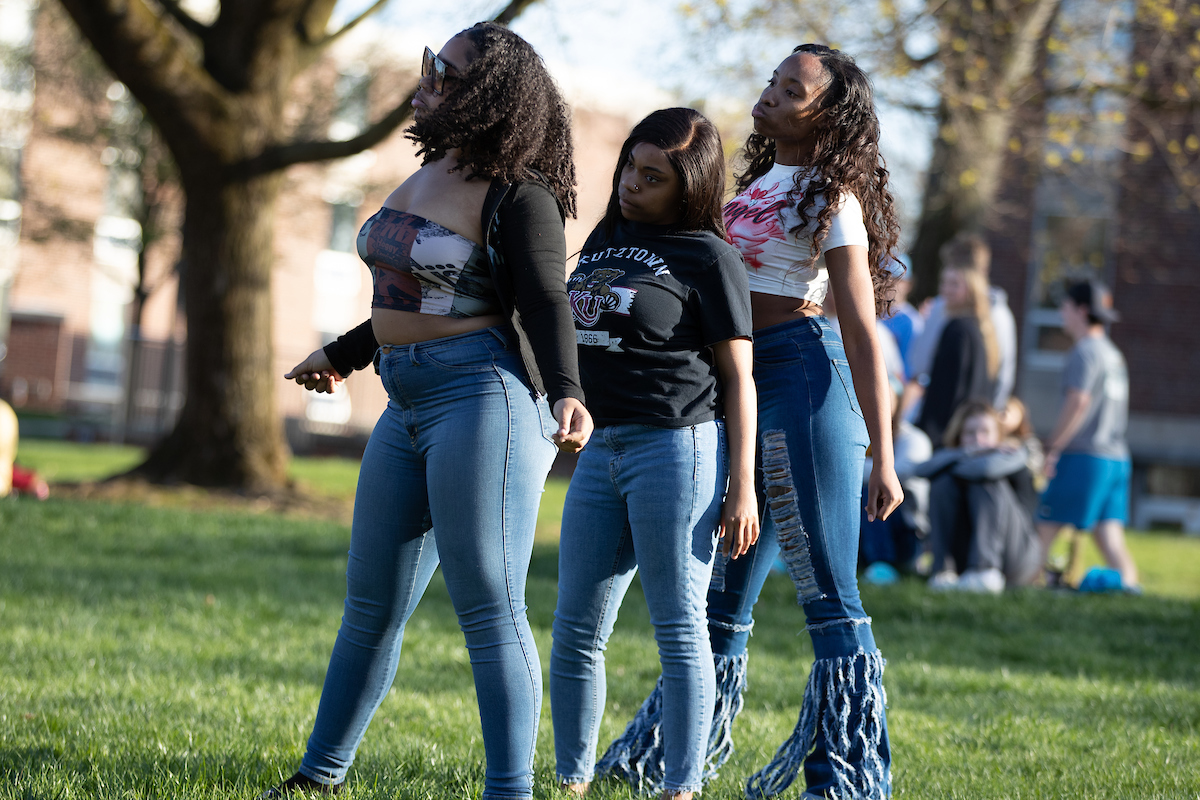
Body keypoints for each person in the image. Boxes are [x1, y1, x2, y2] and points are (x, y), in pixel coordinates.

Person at [261, 24, 592, 799]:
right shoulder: (428, 169)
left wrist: (569, 389)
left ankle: (509, 791)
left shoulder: (522, 194)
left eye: (446, 71)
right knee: (370, 602)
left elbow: (545, 300)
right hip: (405, 397)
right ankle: (319, 777)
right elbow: (404, 293)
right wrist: (343, 354)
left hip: (483, 399)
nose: (429, 78)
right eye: (430, 63)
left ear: (489, 94)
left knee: (487, 601)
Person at [598, 44, 903, 800]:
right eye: (772, 82)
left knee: (827, 587)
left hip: (801, 376)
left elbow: (861, 329)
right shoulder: (748, 188)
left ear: (827, 112)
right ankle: (670, 757)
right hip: (729, 382)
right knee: (723, 595)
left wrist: (884, 455)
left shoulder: (835, 199)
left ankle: (847, 776)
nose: (770, 95)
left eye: (791, 89)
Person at [550, 108, 758, 800]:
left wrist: (743, 487)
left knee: (677, 626)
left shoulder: (708, 255)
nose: (632, 185)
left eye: (653, 177)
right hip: (601, 447)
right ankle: (572, 779)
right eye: (630, 169)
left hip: (677, 449)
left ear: (689, 186)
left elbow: (738, 379)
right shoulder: (606, 237)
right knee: (576, 626)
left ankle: (681, 787)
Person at [1035, 279, 1139, 590]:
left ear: (1081, 310)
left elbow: (1078, 401)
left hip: (1085, 456)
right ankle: (1129, 588)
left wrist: (1053, 446)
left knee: (1045, 526)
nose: (1062, 314)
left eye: (1065, 307)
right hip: (1117, 458)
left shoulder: (1084, 352)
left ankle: (1023, 584)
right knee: (1110, 537)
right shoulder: (1113, 353)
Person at [917, 400, 1042, 594]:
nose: (978, 439)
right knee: (943, 483)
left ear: (998, 435)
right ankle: (943, 571)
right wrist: (967, 453)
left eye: (985, 432)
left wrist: (968, 455)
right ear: (959, 436)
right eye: (970, 433)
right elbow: (921, 469)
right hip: (967, 552)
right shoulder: (958, 457)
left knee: (985, 482)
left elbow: (986, 468)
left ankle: (985, 571)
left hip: (1016, 556)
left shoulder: (1013, 454)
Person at [904, 233, 1017, 411]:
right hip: (957, 413)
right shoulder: (943, 307)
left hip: (968, 417)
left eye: (954, 280)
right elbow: (1003, 377)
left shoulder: (995, 313)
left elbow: (920, 363)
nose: (947, 288)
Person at [914, 240, 998, 448]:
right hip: (964, 432)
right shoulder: (977, 327)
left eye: (954, 284)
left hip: (951, 434)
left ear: (971, 288)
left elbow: (948, 390)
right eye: (944, 283)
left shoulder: (959, 330)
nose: (945, 290)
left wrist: (934, 432)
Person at [880, 255, 923, 379]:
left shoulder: (912, 321)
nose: (890, 284)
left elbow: (912, 369)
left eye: (897, 279)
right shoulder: (873, 314)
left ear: (909, 284)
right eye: (885, 278)